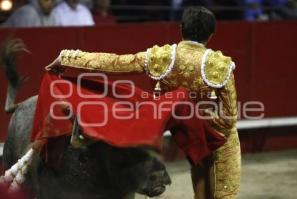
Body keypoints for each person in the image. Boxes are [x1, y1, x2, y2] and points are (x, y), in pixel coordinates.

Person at [46, 7, 241, 199]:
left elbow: (113, 63)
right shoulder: (220, 66)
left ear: (181, 29)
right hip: (215, 136)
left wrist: (67, 58)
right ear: (211, 35)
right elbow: (229, 118)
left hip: (176, 123)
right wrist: (202, 117)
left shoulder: (161, 57)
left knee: (198, 164)